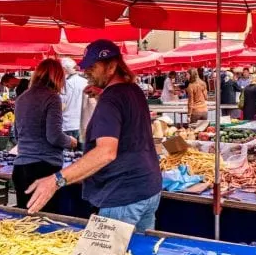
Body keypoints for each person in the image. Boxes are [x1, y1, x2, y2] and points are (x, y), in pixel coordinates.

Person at [26, 40, 162, 230]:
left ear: (112, 66)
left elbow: (106, 152)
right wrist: (101, 94)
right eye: (85, 67)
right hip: (148, 188)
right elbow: (126, 126)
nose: (87, 71)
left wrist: (56, 180)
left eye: (93, 66)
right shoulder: (133, 90)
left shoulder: (111, 99)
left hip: (122, 195)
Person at [12, 59, 78, 210]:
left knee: (24, 220)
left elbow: (17, 135)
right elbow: (54, 136)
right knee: (45, 223)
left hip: (20, 168)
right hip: (44, 169)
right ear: (58, 77)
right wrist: (71, 141)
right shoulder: (52, 98)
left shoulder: (22, 98)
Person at [61, 57, 87, 145]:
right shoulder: (86, 82)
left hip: (67, 126)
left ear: (64, 70)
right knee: (82, 156)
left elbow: (61, 107)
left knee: (67, 156)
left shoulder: (65, 84)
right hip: (82, 125)